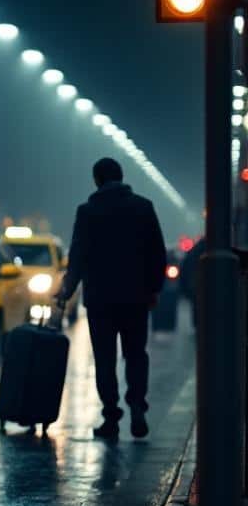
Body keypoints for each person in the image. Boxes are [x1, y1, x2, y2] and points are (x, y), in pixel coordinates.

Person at [55, 156, 166, 439]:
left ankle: (111, 417)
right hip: (136, 297)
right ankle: (138, 406)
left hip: (100, 299)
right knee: (136, 355)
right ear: (121, 176)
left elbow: (77, 256)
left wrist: (66, 291)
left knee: (105, 358)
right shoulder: (143, 207)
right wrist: (154, 289)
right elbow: (157, 252)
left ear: (97, 179)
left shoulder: (88, 211)